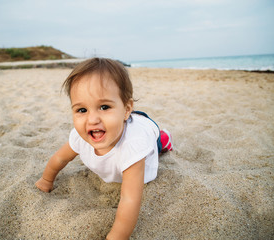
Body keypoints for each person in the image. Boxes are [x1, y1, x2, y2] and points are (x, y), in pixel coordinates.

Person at [35, 58, 173, 239]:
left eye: (104, 107)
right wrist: (46, 180)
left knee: (157, 143)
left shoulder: (133, 145)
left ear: (126, 109)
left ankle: (164, 138)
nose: (92, 120)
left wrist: (117, 236)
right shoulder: (81, 136)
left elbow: (130, 199)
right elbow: (60, 159)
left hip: (145, 130)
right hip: (121, 122)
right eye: (82, 110)